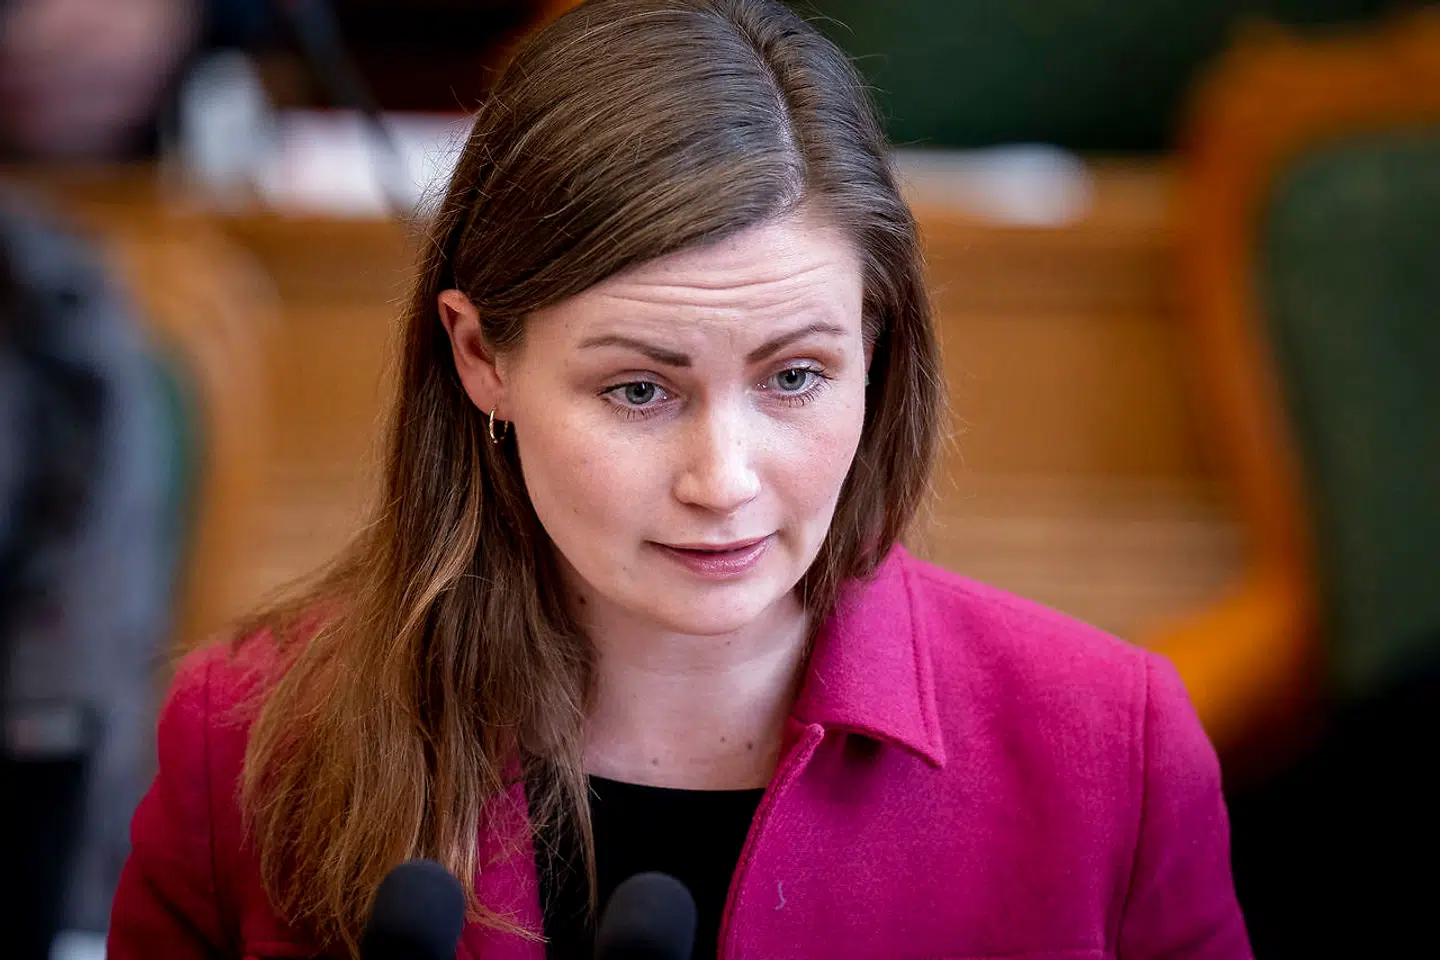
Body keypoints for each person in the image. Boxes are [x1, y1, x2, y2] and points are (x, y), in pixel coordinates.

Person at [106, 1, 1252, 957]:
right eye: (639, 392)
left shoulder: (1111, 751)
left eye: (796, 376)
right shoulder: (248, 738)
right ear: (479, 357)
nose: (723, 480)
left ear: (879, 349)